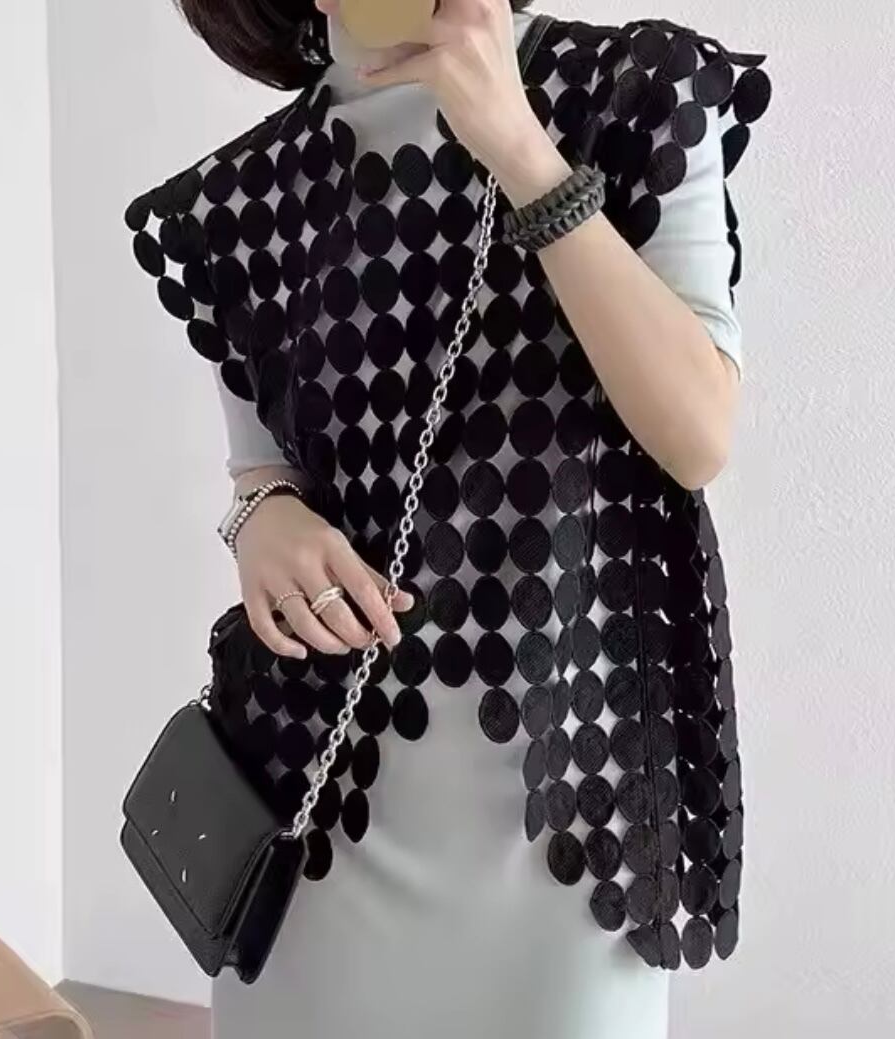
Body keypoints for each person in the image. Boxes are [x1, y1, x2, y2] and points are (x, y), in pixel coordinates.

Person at [125, 1, 771, 1036]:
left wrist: (518, 147)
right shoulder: (242, 202)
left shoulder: (632, 94)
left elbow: (695, 432)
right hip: (319, 827)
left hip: (571, 842)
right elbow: (262, 475)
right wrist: (263, 524)